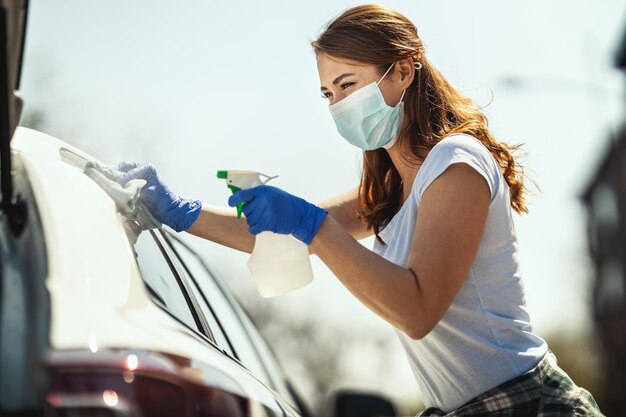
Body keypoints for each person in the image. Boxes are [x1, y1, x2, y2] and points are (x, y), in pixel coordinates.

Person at [113, 4, 603, 416]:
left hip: (528, 404)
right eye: (328, 94)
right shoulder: (390, 189)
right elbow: (279, 236)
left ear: (404, 70)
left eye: (348, 85)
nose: (338, 105)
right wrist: (180, 210)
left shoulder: (457, 164)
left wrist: (317, 227)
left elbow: (417, 311)